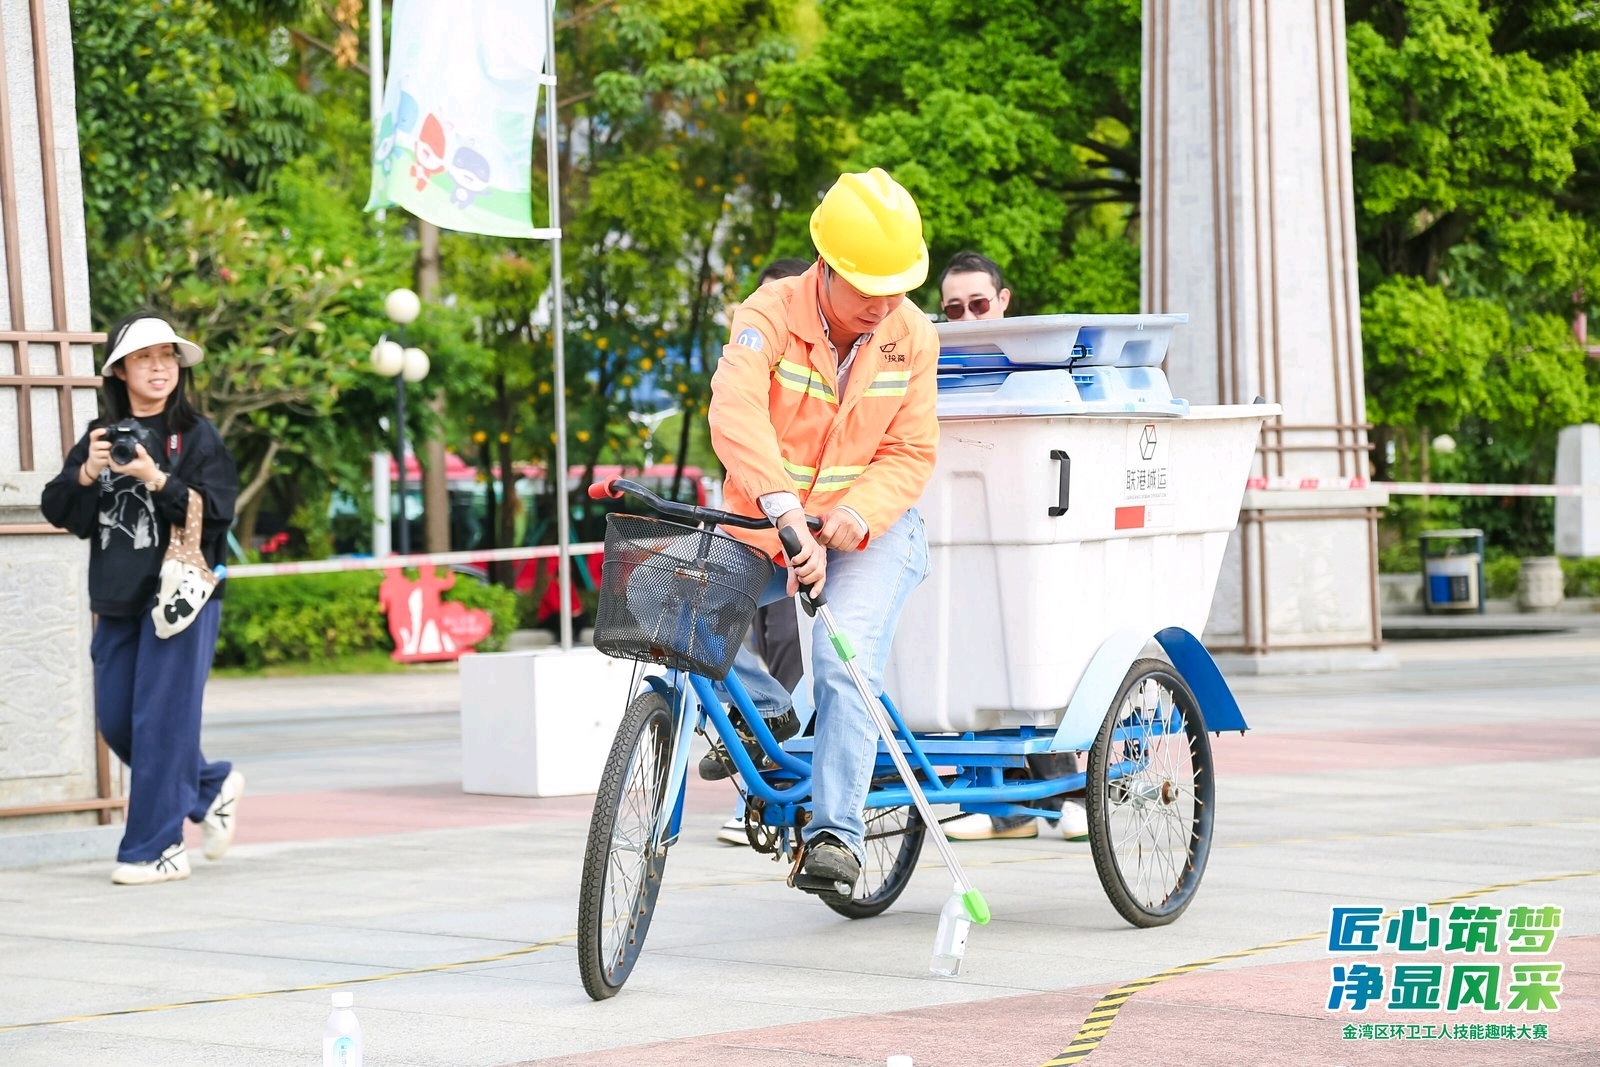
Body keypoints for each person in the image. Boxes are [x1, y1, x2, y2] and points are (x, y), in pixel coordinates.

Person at [704, 168, 938, 894]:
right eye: (869, 286)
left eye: (897, 285)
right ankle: (768, 710)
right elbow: (733, 407)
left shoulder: (913, 336)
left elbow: (910, 450)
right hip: (771, 518)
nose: (884, 303)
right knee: (685, 609)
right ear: (826, 267)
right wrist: (782, 511)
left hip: (869, 530)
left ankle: (836, 831)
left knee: (842, 660)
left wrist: (854, 515)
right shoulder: (768, 312)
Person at [41, 313, 243, 885]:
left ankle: (155, 848)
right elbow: (61, 510)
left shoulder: (196, 435)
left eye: (167, 357)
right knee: (119, 724)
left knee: (159, 722)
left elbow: (218, 514)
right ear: (121, 371)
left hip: (181, 600)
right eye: (144, 358)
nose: (159, 368)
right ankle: (209, 785)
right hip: (117, 599)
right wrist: (86, 472)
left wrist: (158, 478)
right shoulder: (102, 437)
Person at [936, 252, 1090, 843]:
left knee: (1029, 658)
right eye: (954, 309)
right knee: (964, 662)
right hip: (956, 527)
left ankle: (1064, 792)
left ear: (1004, 300)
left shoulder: (1037, 367)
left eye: (979, 304)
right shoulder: (934, 365)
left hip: (1029, 528)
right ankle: (1000, 805)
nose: (969, 318)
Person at [712, 256, 812, 846]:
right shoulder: (750, 357)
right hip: (754, 533)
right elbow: (733, 425)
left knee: (811, 661)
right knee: (688, 610)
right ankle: (764, 720)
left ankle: (788, 766)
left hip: (820, 536)